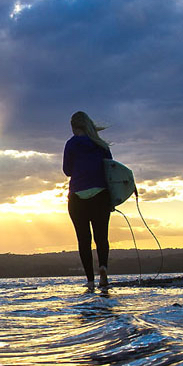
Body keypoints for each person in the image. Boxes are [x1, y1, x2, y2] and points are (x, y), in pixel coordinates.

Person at [62, 111, 112, 292]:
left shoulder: (71, 144)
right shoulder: (101, 144)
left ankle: (90, 282)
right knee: (101, 237)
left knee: (84, 240)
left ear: (74, 128)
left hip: (77, 198)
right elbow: (110, 169)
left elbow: (67, 171)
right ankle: (104, 269)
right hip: (101, 195)